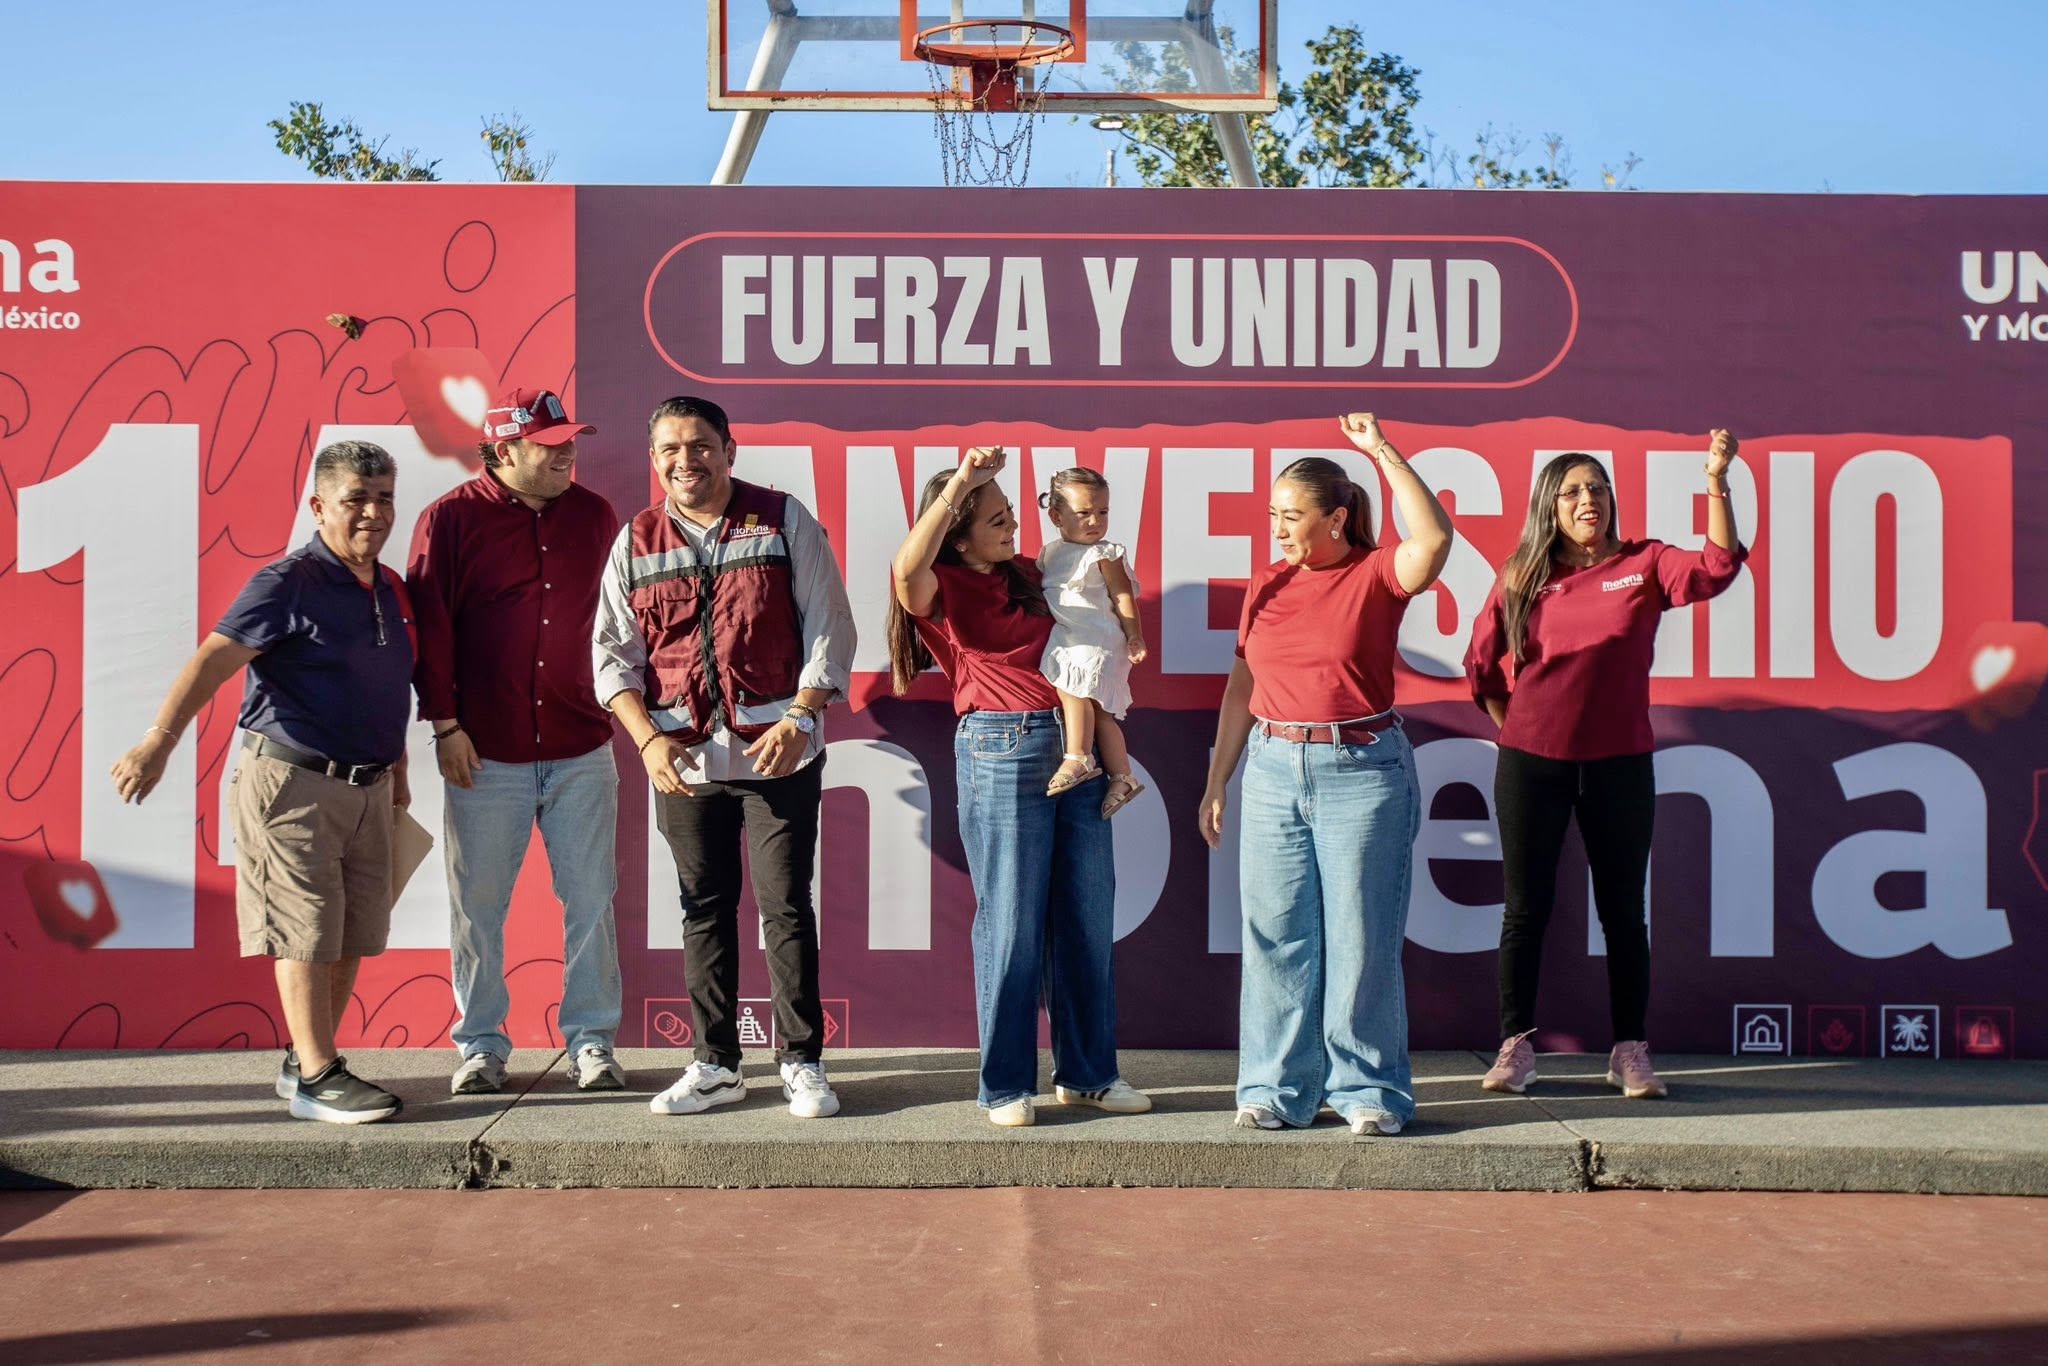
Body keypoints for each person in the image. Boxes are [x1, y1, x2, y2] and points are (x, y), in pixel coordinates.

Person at [110, 440, 415, 1124]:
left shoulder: (390, 586)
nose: (372, 513)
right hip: (293, 783)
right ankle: (316, 1078)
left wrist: (397, 769)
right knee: (304, 931)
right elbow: (214, 661)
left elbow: (385, 684)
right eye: (355, 499)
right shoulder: (288, 581)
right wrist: (158, 741)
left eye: (384, 497)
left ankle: (305, 1059)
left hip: (368, 786)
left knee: (349, 932)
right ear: (317, 506)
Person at [593, 395, 855, 1120]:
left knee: (786, 908)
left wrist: (803, 715)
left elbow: (830, 624)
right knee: (702, 909)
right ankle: (715, 1065)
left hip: (779, 755)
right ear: (654, 460)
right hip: (682, 762)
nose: (687, 460)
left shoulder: (781, 517)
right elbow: (611, 657)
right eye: (671, 449)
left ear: (728, 449)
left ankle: (802, 1062)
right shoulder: (635, 540)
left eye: (700, 445)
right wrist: (646, 740)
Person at [1465, 433, 1747, 1100]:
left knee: (1623, 913)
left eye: (1597, 488)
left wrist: (1716, 481)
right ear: (1550, 508)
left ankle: (1630, 1050)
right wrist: (1530, 735)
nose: (1587, 499)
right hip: (1532, 766)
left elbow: (1719, 565)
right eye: (1572, 491)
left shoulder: (1645, 563)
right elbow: (1482, 669)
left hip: (1619, 765)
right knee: (1524, 911)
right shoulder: (1522, 577)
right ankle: (1516, 1048)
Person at [1197, 414, 1453, 1137]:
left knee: (1360, 937)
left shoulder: (1374, 575)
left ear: (1336, 518)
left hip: (1362, 769)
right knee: (1276, 936)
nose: (1277, 527)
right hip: (1274, 767)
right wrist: (1220, 779)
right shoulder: (1265, 584)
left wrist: (1380, 451)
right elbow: (1241, 688)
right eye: (1273, 514)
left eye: (1291, 515)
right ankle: (1275, 1090)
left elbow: (1432, 540)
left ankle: (1368, 1093)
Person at [888, 446, 1151, 1127]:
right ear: (960, 531)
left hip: (1075, 748)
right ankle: (1005, 1086)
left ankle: (1089, 1075)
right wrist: (965, 483)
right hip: (1000, 748)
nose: (1011, 529)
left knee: (1087, 918)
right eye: (995, 519)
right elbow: (904, 569)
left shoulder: (1036, 574)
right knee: (1011, 924)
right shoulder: (940, 585)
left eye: (1011, 515)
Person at [408, 386, 625, 1096]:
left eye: (570, 440)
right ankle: (480, 1046)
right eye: (550, 444)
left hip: (581, 744)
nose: (568, 453)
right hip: (484, 750)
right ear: (505, 451)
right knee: (477, 905)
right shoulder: (447, 521)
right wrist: (444, 724)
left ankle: (593, 1043)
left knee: (591, 898)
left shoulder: (595, 516)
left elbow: (621, 622)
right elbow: (429, 632)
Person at [1036, 467, 1148, 817]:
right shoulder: (1051, 553)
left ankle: (1078, 757)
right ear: (1056, 516)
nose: (1094, 521)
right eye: (1083, 513)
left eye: (1102, 512)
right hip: (1071, 638)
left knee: (1072, 690)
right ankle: (1122, 776)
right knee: (1102, 715)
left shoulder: (1106, 553)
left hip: (1096, 640)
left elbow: (1123, 597)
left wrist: (1134, 635)